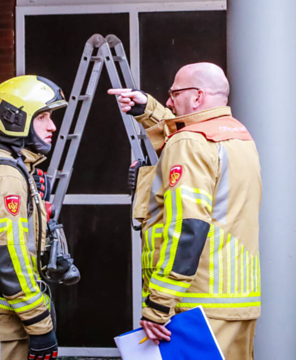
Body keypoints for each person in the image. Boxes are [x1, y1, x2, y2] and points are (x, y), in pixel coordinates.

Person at [109, 63, 261, 360]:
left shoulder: (189, 143)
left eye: (173, 93)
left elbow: (187, 227)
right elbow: (185, 133)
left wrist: (159, 305)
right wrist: (146, 109)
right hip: (236, 301)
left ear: (197, 97)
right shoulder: (238, 137)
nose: (168, 101)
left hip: (195, 305)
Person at [0, 75, 67, 360]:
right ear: (16, 119)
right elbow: (9, 254)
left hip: (7, 315)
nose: (53, 126)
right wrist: (39, 324)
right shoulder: (5, 175)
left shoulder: (15, 168)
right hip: (2, 321)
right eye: (43, 117)